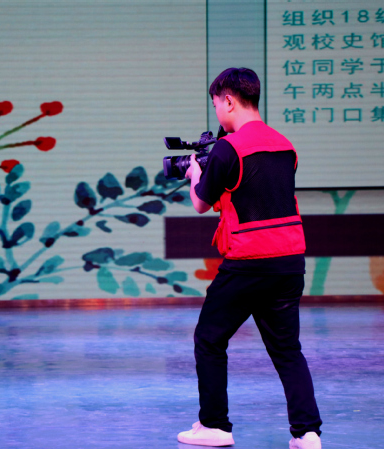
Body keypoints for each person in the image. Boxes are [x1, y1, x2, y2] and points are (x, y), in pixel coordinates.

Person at [177, 68, 322, 449]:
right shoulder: (285, 145)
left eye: (215, 104)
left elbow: (200, 203)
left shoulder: (229, 148)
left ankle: (215, 426)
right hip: (289, 260)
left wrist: (195, 173)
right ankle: (307, 433)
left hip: (248, 261)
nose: (217, 112)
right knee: (287, 349)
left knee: (209, 338)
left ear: (228, 100)